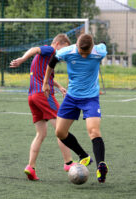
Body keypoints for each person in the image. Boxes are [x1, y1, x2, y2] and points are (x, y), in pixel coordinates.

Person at [10, 34, 92, 181]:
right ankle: (68, 162)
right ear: (59, 44)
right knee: (61, 130)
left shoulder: (47, 60)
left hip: (32, 97)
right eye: (65, 48)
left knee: (41, 134)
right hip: (43, 95)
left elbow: (45, 77)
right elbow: (35, 49)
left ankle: (31, 167)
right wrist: (22, 59)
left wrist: (59, 86)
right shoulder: (50, 50)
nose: (65, 52)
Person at [42, 33, 108, 183]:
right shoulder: (67, 51)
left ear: (92, 47)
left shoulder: (99, 51)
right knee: (60, 132)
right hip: (71, 97)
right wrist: (46, 82)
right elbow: (52, 62)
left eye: (87, 53)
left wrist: (100, 43)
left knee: (94, 131)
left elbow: (103, 44)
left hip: (91, 98)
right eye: (81, 52)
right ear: (76, 46)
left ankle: (101, 166)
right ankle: (83, 155)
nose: (84, 56)